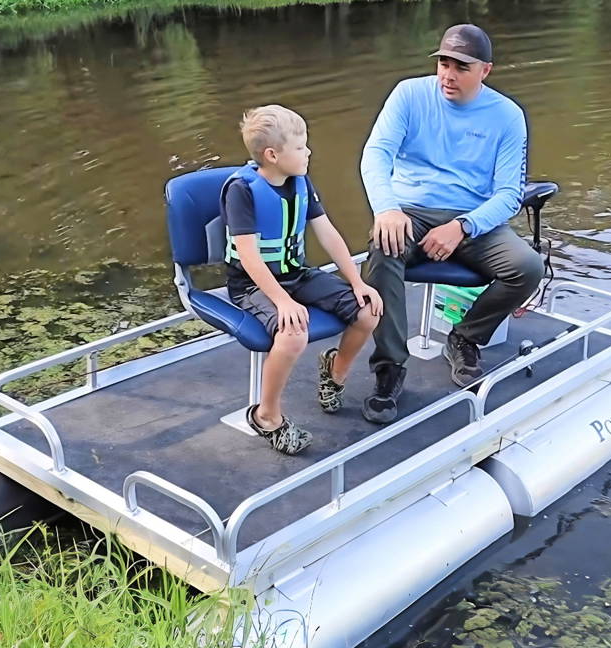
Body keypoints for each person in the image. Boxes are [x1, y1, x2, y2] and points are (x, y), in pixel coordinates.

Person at [360, 23, 543, 424]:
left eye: (461, 66)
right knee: (382, 249)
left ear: (485, 71)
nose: (448, 73)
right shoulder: (409, 95)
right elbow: (376, 154)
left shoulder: (508, 117)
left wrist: (463, 225)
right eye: (444, 62)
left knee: (529, 268)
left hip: (473, 218)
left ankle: (465, 337)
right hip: (410, 208)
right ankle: (389, 368)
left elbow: (508, 195)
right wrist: (387, 208)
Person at [223, 105, 383, 455]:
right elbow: (248, 256)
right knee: (293, 333)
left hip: (296, 273)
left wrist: (357, 281)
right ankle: (267, 416)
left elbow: (327, 233)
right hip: (253, 285)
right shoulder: (242, 190)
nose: (308, 152)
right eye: (300, 147)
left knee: (367, 311)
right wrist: (282, 301)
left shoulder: (300, 183)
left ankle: (334, 373)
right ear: (272, 155)